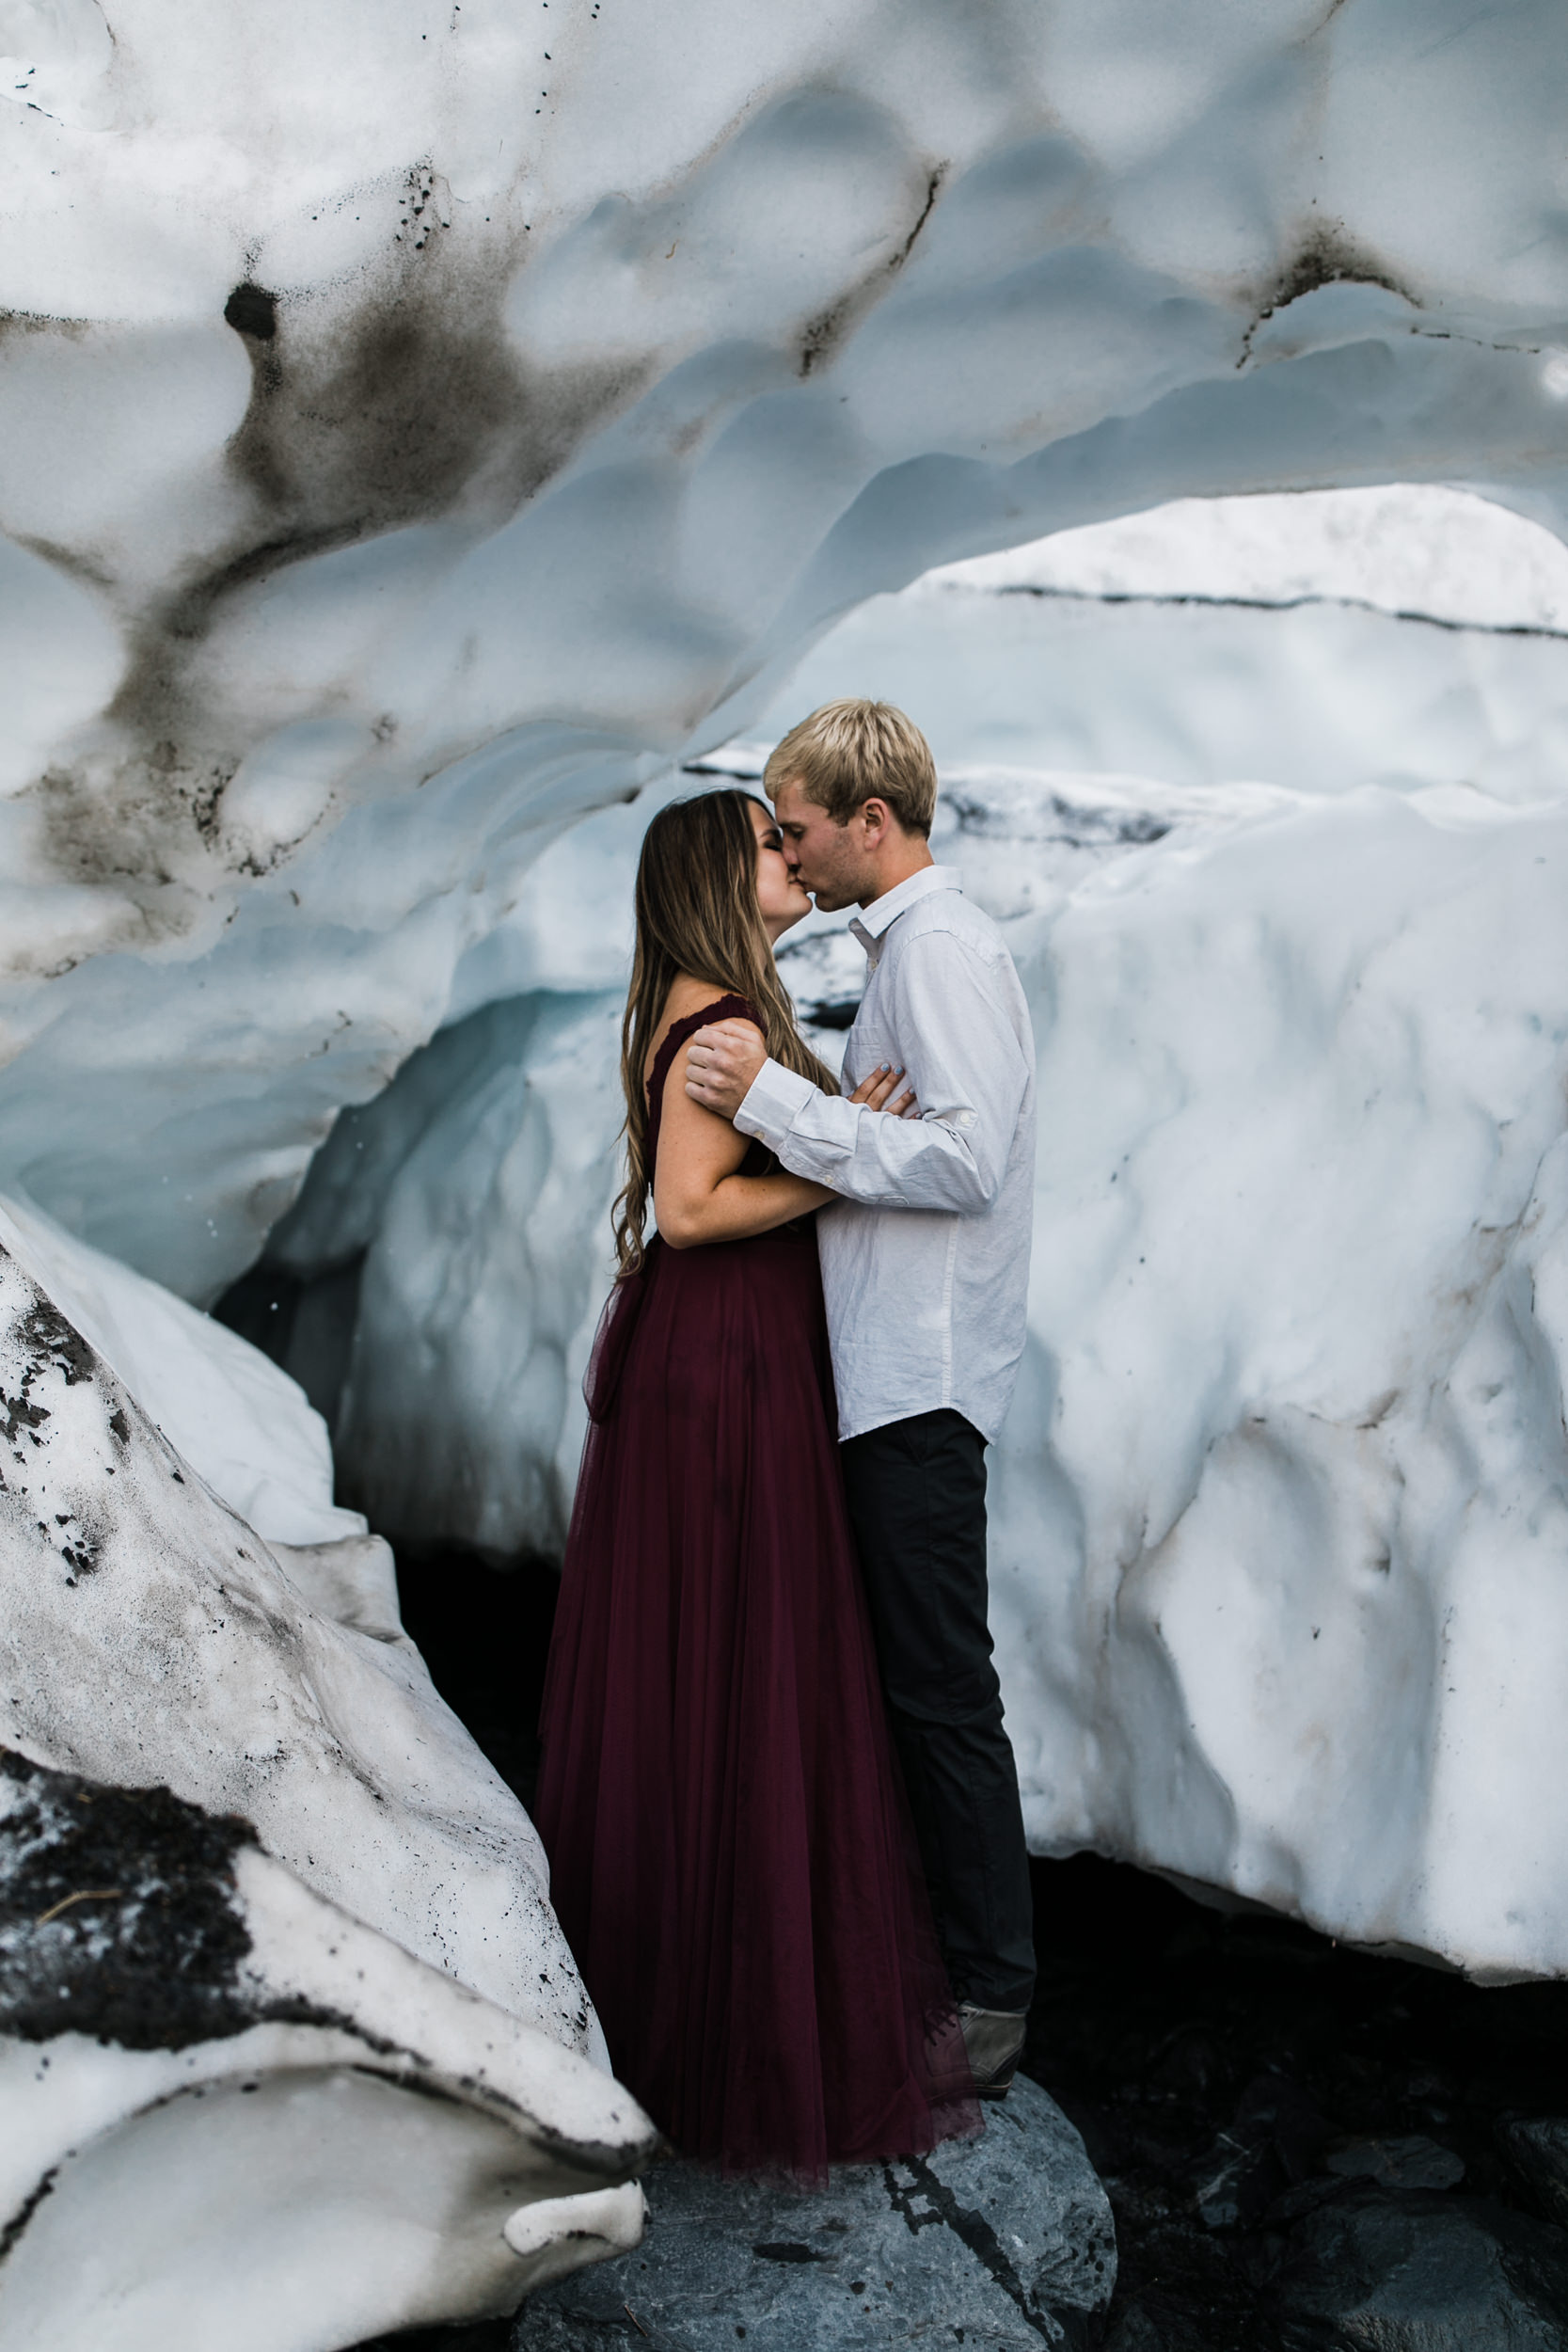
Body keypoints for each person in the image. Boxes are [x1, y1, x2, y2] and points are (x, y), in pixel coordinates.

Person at [533, 786, 975, 2180]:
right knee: (748, 1658)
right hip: (726, 1361)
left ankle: (685, 1997)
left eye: (792, 842)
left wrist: (828, 1125)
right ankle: (731, 2024)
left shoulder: (703, 994)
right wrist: (846, 1169)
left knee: (710, 1666)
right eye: (769, 848)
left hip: (717, 1350)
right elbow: (693, 1207)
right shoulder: (719, 1016)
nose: (792, 860)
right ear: (718, 878)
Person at [684, 700, 1038, 2101]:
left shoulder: (941, 950)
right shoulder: (905, 955)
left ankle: (991, 2000)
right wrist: (841, 1106)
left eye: (802, 829)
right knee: (911, 1683)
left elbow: (965, 1164)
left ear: (872, 822)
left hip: (923, 1378)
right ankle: (937, 1971)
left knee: (941, 1691)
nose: (790, 853)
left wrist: (779, 1099)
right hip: (895, 1374)